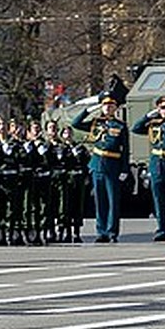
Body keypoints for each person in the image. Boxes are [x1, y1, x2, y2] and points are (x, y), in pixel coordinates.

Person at [71, 92, 129, 242]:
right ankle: (101, 231)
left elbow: (125, 149)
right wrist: (88, 110)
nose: (108, 108)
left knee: (113, 200)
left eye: (111, 105)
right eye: (105, 105)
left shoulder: (120, 126)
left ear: (115, 108)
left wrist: (124, 169)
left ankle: (112, 232)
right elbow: (75, 123)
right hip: (97, 165)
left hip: (113, 165)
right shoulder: (95, 123)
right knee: (100, 200)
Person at [132, 93, 165, 241]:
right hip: (157, 165)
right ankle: (162, 228)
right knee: (158, 199)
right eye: (162, 108)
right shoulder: (153, 124)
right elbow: (135, 128)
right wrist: (148, 116)